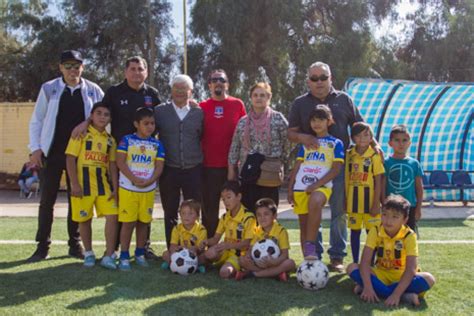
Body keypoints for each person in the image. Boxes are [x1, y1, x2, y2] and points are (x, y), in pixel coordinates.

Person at [288, 61, 370, 272]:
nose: (319, 82)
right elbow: (290, 133)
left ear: (330, 78)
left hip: (339, 167)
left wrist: (375, 146)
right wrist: (304, 137)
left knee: (338, 212)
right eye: (314, 78)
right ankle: (313, 253)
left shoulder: (344, 99)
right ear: (308, 81)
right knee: (311, 210)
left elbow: (359, 126)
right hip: (310, 170)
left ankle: (337, 257)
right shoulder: (300, 103)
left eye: (323, 77)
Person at [27, 50, 104, 262]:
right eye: (68, 66)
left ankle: (75, 244)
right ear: (60, 68)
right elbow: (37, 121)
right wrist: (35, 148)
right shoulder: (49, 88)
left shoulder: (93, 90)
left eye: (76, 66)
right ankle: (42, 246)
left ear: (83, 67)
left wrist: (86, 122)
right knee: (47, 200)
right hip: (51, 154)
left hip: (80, 156)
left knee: (76, 199)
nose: (72, 70)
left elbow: (103, 116)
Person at [346, 195, 435, 307]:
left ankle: (387, 292)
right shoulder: (375, 230)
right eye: (385, 215)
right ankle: (405, 296)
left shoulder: (409, 235)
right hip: (380, 274)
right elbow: (365, 262)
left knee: (429, 279)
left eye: (395, 217)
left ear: (405, 219)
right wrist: (368, 288)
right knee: (351, 267)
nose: (388, 220)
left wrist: (396, 295)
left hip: (402, 277)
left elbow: (411, 269)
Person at [65, 102, 118, 269]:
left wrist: (115, 187)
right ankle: (88, 253)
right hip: (82, 186)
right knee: (84, 219)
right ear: (92, 115)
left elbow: (112, 165)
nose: (102, 117)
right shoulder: (82, 134)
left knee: (113, 216)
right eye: (99, 113)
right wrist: (74, 183)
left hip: (104, 186)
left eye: (106, 114)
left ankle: (109, 255)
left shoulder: (110, 140)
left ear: (110, 119)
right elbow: (70, 159)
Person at [287, 105, 344, 260]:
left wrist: (316, 185)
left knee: (316, 200)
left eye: (320, 120)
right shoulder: (306, 144)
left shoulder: (336, 143)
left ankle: (311, 246)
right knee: (303, 226)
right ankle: (307, 262)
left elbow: (335, 170)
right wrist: (290, 188)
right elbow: (298, 166)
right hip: (300, 187)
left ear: (329, 121)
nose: (316, 123)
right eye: (313, 120)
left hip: (322, 187)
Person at [154, 74, 204, 247]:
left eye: (184, 89)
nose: (180, 92)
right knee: (170, 211)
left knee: (194, 211)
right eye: (177, 88)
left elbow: (202, 136)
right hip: (169, 169)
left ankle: (195, 248)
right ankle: (173, 248)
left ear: (191, 91)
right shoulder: (160, 111)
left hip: (194, 168)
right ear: (171, 90)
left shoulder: (199, 112)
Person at [116, 107, 165, 271]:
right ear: (136, 124)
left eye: (152, 123)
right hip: (128, 188)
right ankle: (124, 255)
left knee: (144, 223)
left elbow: (159, 166)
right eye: (146, 123)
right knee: (128, 223)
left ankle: (139, 253)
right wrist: (134, 179)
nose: (150, 126)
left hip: (148, 190)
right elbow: (120, 162)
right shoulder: (126, 140)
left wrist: (150, 180)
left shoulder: (157, 144)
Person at [200, 69, 246, 238]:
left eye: (222, 80)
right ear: (209, 85)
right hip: (208, 167)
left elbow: (245, 133)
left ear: (228, 84)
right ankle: (209, 248)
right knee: (209, 211)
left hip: (232, 167)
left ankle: (233, 247)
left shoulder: (237, 104)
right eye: (214, 80)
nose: (218, 82)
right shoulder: (201, 106)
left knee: (233, 209)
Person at [228, 82, 288, 212]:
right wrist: (232, 171)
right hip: (248, 174)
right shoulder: (243, 121)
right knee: (248, 212)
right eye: (255, 95)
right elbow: (235, 148)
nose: (258, 98)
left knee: (268, 212)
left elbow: (287, 142)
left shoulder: (278, 119)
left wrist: (280, 161)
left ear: (269, 97)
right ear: (251, 97)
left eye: (262, 95)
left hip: (269, 174)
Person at [346, 122, 385, 263]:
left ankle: (371, 263)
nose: (362, 138)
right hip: (353, 203)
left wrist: (377, 202)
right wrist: (345, 199)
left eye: (366, 135)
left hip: (370, 204)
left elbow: (379, 179)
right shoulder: (349, 155)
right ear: (353, 138)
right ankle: (355, 262)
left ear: (371, 138)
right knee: (354, 232)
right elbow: (346, 178)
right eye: (358, 135)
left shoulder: (374, 156)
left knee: (372, 233)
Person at [204, 181, 256, 279]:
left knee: (224, 272)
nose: (226, 201)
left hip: (239, 254)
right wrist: (205, 242)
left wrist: (228, 245)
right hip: (225, 251)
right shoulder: (225, 217)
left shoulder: (249, 217)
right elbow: (215, 239)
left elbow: (246, 244)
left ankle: (236, 268)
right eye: (223, 199)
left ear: (239, 197)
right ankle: (220, 263)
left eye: (228, 197)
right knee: (207, 254)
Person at [235, 198, 295, 281]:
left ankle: (254, 274)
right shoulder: (257, 231)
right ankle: (274, 274)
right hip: (259, 264)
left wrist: (274, 262)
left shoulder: (281, 231)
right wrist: (248, 256)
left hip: (276, 263)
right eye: (259, 215)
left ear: (274, 216)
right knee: (241, 260)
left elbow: (285, 255)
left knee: (290, 263)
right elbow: (251, 249)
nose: (262, 217)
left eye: (266, 214)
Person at [383, 125, 423, 235]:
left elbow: (419, 188)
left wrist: (418, 208)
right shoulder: (385, 163)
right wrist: (383, 203)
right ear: (390, 143)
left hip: (410, 208)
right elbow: (382, 186)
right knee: (390, 236)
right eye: (397, 140)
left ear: (409, 143)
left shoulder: (414, 164)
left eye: (405, 140)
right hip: (390, 208)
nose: (401, 143)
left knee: (408, 237)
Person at [161, 199, 207, 273]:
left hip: (195, 254)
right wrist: (175, 251)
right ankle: (172, 263)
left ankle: (197, 266)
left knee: (205, 256)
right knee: (165, 254)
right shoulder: (177, 228)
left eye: (190, 213)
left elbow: (199, 249)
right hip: (180, 253)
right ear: (180, 215)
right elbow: (172, 246)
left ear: (197, 216)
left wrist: (187, 249)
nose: (186, 216)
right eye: (183, 213)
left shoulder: (201, 230)